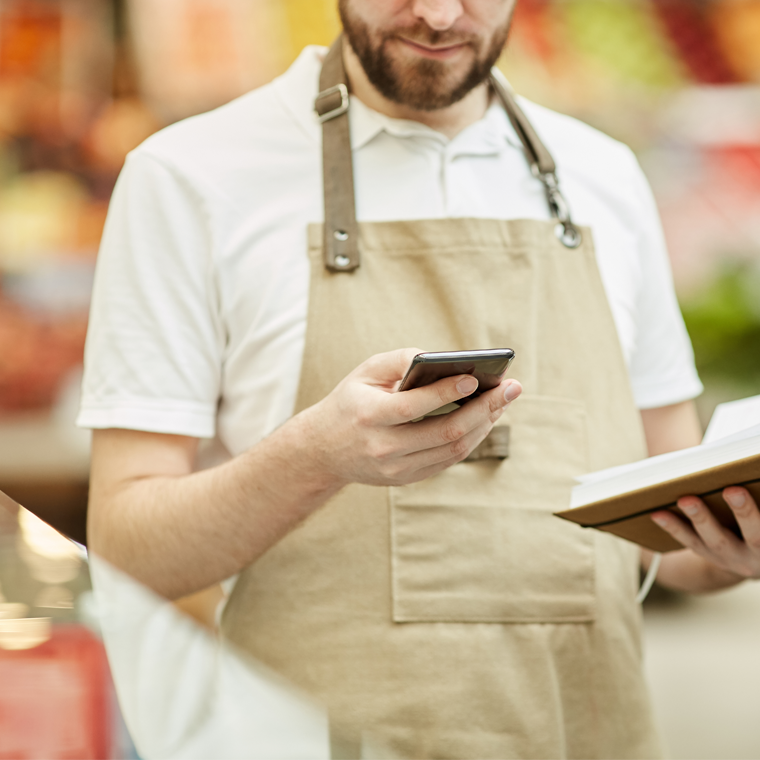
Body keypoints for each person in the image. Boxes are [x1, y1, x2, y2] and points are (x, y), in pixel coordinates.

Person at [78, 1, 760, 758]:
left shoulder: (605, 177)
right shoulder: (189, 178)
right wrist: (314, 458)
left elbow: (669, 539)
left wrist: (736, 545)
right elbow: (125, 554)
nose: (438, 15)